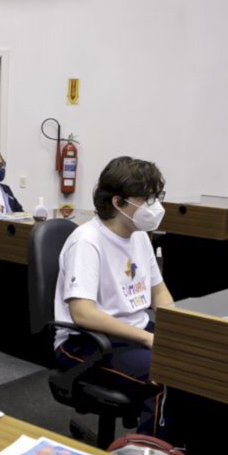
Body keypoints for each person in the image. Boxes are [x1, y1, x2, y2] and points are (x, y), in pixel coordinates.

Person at [53, 156, 173, 435]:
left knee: (196, 363)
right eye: (147, 198)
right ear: (118, 202)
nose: (155, 206)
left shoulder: (140, 235)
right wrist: (146, 338)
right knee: (168, 377)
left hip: (134, 332)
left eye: (157, 196)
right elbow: (83, 314)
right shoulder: (87, 241)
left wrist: (176, 328)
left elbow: (159, 291)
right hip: (88, 341)